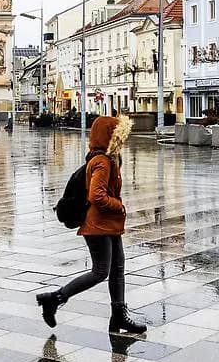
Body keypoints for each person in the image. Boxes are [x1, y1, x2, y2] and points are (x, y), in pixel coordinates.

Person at [37, 112, 147, 334]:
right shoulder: (102, 162)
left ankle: (119, 316)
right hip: (98, 226)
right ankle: (55, 298)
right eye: (119, 136)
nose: (123, 141)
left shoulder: (106, 159)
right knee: (100, 271)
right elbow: (96, 196)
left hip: (109, 225)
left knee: (117, 269)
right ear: (110, 137)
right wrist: (118, 205)